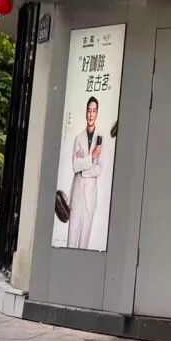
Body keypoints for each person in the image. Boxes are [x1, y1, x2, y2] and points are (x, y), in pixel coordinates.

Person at [67, 97, 104, 249]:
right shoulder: (78, 138)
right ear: (86, 112)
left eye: (94, 111)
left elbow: (99, 169)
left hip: (90, 198)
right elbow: (75, 166)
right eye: (89, 110)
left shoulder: (101, 139)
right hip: (76, 196)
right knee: (71, 240)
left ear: (97, 113)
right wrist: (92, 157)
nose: (91, 114)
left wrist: (84, 168)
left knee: (84, 244)